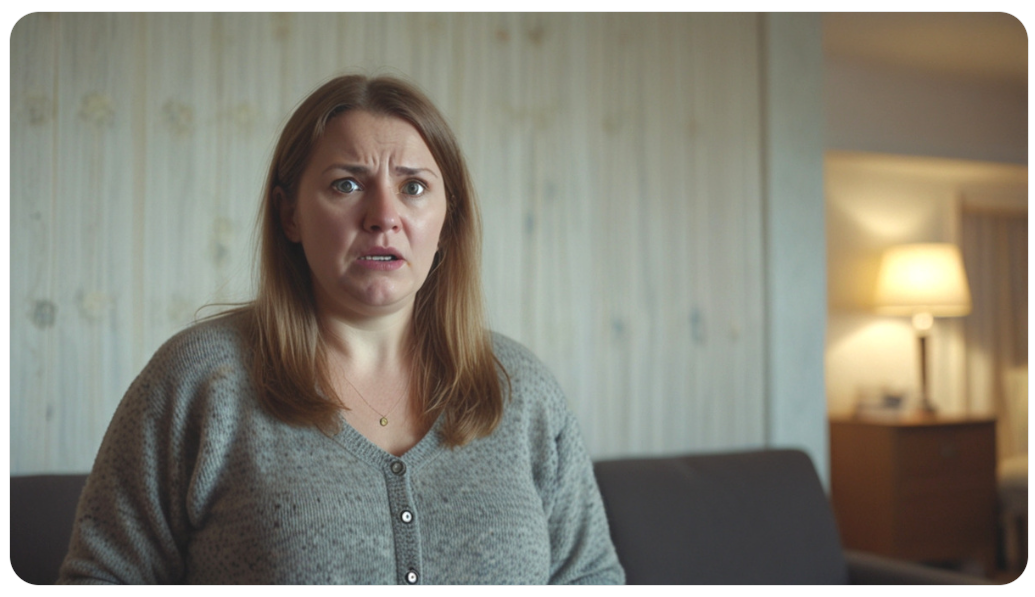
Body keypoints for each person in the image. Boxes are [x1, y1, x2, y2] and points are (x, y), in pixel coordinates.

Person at [57, 74, 624, 585]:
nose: (384, 216)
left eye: (414, 187)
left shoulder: (521, 390)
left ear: (448, 221)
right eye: (347, 185)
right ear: (290, 215)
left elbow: (592, 578)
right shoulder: (200, 380)